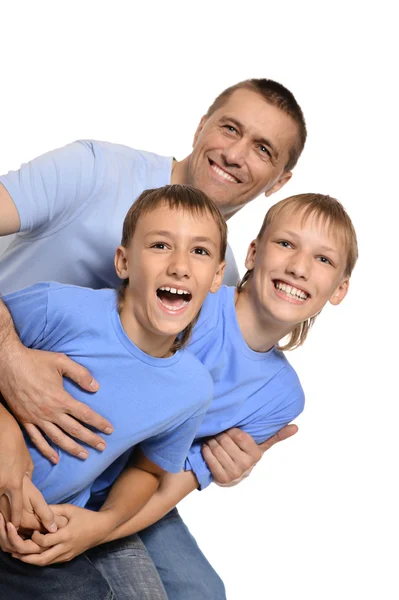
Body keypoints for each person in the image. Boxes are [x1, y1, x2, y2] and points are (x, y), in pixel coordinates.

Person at [0, 78, 307, 596]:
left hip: (92, 462)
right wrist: (7, 356)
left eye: (262, 149)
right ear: (200, 127)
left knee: (196, 592)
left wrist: (226, 452)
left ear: (278, 179)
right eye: (230, 128)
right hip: (10, 396)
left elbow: (167, 414)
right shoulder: (95, 169)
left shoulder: (221, 288)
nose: (235, 154)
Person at [1, 193, 358, 600]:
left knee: (201, 592)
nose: (298, 267)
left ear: (339, 288)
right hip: (52, 465)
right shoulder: (184, 301)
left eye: (324, 259)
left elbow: (163, 478)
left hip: (125, 490)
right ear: (254, 252)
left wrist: (95, 532)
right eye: (286, 244)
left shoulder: (277, 397)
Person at [0, 183, 228, 600]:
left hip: (36, 532)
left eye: (199, 251)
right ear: (123, 261)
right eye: (161, 245)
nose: (180, 266)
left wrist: (100, 525)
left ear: (216, 276)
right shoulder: (61, 309)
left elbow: (148, 470)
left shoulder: (192, 389)